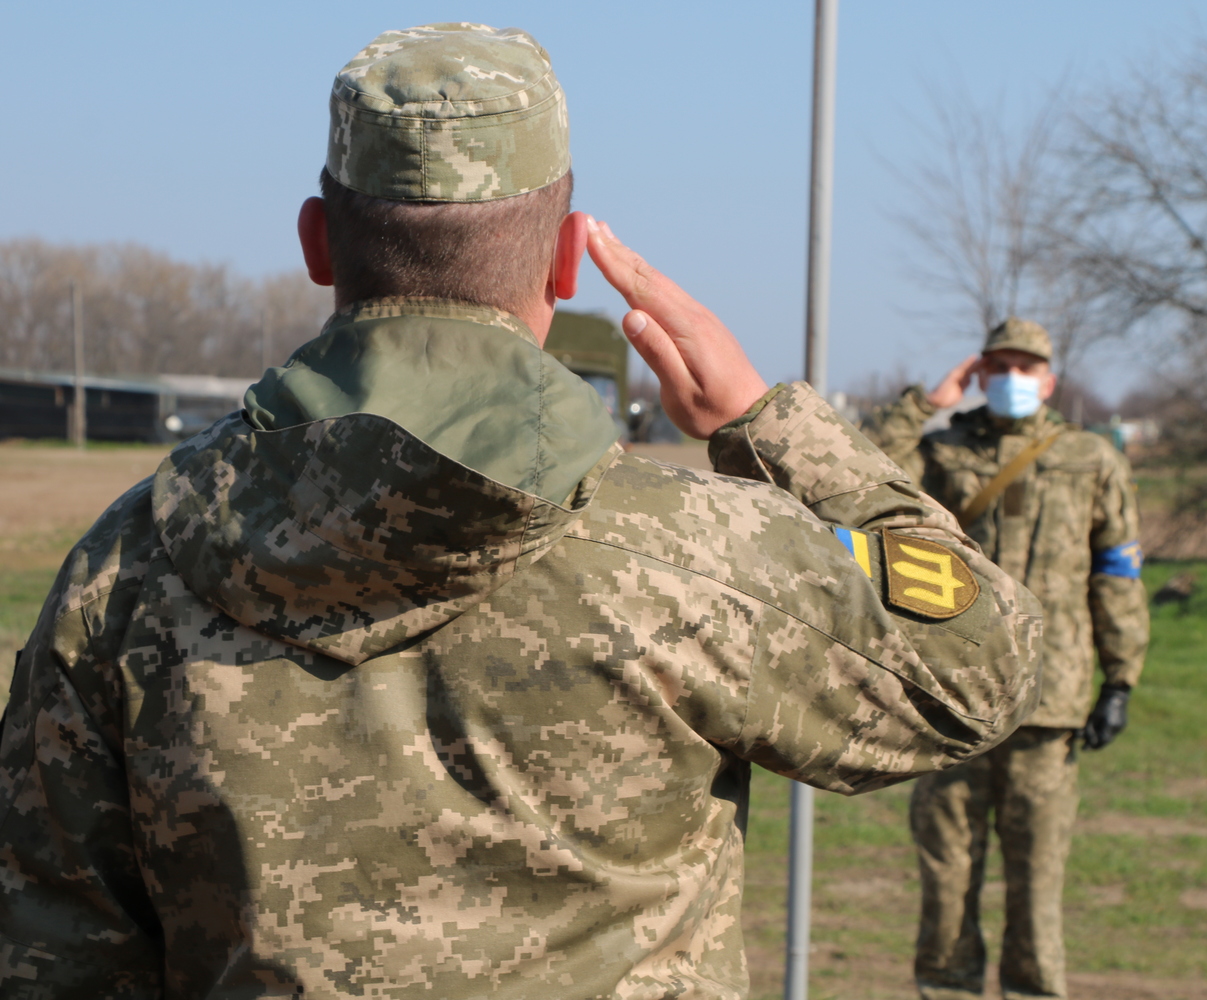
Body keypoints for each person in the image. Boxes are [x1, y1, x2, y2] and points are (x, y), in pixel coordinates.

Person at [0, 24, 1045, 1000]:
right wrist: (774, 429)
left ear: (319, 240)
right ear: (565, 255)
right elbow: (983, 662)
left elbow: (52, 948)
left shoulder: (129, 568)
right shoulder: (694, 550)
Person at [861, 318, 1150, 1000]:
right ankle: (947, 988)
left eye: (1028, 368)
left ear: (1049, 381)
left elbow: (1117, 572)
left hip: (1050, 703)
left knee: (1037, 881)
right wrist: (929, 402)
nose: (1014, 380)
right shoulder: (943, 453)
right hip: (954, 697)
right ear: (979, 374)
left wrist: (1122, 678)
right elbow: (857, 470)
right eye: (1000, 366)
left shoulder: (1091, 459)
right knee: (946, 877)